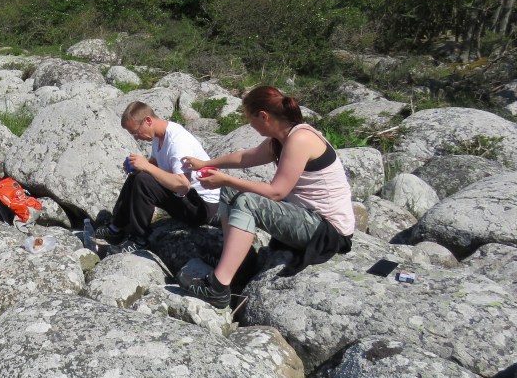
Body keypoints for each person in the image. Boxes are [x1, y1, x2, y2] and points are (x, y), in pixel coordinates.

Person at [179, 86, 355, 309]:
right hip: (306, 216)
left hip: (327, 231)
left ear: (264, 116)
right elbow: (246, 157)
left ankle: (218, 288)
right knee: (231, 192)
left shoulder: (300, 139)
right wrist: (206, 163)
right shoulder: (282, 138)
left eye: (250, 119)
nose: (250, 125)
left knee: (247, 201)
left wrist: (226, 179)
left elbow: (276, 192)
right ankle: (238, 264)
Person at [94, 101, 220, 255]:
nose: (136, 138)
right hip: (186, 199)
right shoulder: (159, 137)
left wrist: (146, 166)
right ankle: (116, 227)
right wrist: (138, 165)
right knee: (137, 175)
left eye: (136, 132)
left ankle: (139, 239)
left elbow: (183, 185)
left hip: (201, 207)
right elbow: (155, 163)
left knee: (143, 180)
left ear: (148, 121)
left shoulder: (178, 142)